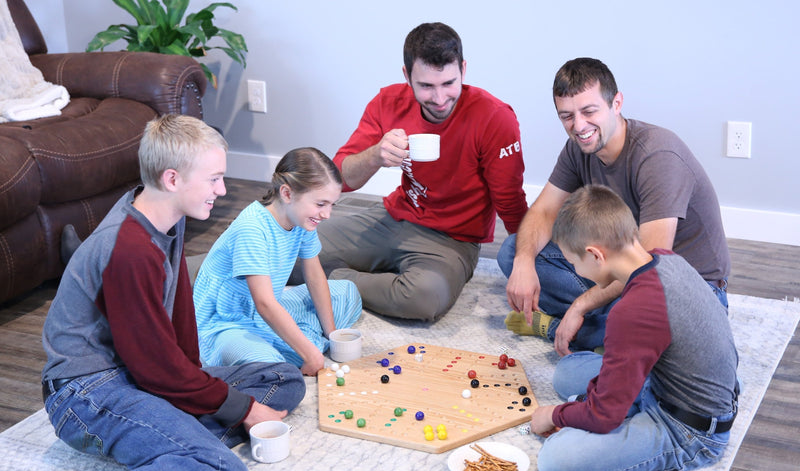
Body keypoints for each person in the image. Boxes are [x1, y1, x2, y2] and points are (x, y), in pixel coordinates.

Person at [1, 115, 306, 471]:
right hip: (85, 391)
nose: (223, 190)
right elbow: (155, 368)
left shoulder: (165, 215)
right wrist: (242, 408)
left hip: (132, 374)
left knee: (282, 377)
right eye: (215, 179)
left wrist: (196, 377)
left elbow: (178, 312)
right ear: (172, 178)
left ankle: (170, 456)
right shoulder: (130, 249)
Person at [501, 57, 730, 356]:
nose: (579, 126)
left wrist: (581, 304)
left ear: (617, 103)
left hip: (688, 291)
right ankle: (603, 330)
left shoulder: (658, 155)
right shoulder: (579, 147)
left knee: (580, 371)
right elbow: (544, 211)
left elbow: (647, 267)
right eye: (566, 116)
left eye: (589, 111)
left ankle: (568, 327)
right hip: (623, 268)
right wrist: (523, 263)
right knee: (513, 251)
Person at [301, 22, 527, 321]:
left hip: (453, 239)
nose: (440, 98)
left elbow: (510, 200)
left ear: (463, 70)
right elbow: (339, 178)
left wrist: (525, 261)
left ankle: (329, 279)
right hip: (393, 217)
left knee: (423, 298)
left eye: (449, 83)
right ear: (407, 76)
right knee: (294, 246)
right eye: (426, 86)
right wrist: (375, 156)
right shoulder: (388, 101)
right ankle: (346, 276)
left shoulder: (494, 117)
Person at [529, 185, 738, 471]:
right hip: (679, 383)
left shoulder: (634, 310)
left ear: (595, 255)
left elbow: (604, 416)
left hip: (692, 431)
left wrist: (555, 415)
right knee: (566, 374)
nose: (577, 270)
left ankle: (636, 413)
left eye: (574, 263)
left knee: (556, 460)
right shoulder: (665, 258)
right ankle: (623, 400)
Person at [193, 147, 362, 376]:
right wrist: (311, 354)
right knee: (272, 368)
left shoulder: (303, 220)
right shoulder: (252, 228)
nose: (327, 214)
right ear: (287, 193)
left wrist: (332, 336)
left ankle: (296, 342)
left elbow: (314, 276)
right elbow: (264, 304)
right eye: (321, 204)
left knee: (346, 292)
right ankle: (289, 347)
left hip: (268, 308)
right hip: (226, 323)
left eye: (332, 205)